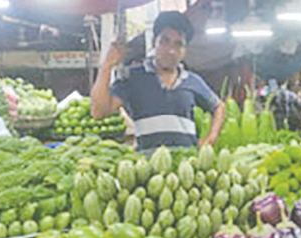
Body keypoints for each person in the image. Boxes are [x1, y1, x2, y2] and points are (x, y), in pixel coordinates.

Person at [90, 11, 226, 154]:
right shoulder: (132, 77)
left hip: (186, 167)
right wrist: (107, 66)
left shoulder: (193, 81)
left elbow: (219, 107)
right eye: (165, 41)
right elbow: (98, 112)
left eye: (178, 44)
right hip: (148, 170)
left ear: (184, 51)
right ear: (155, 42)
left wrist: (211, 138)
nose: (171, 50)